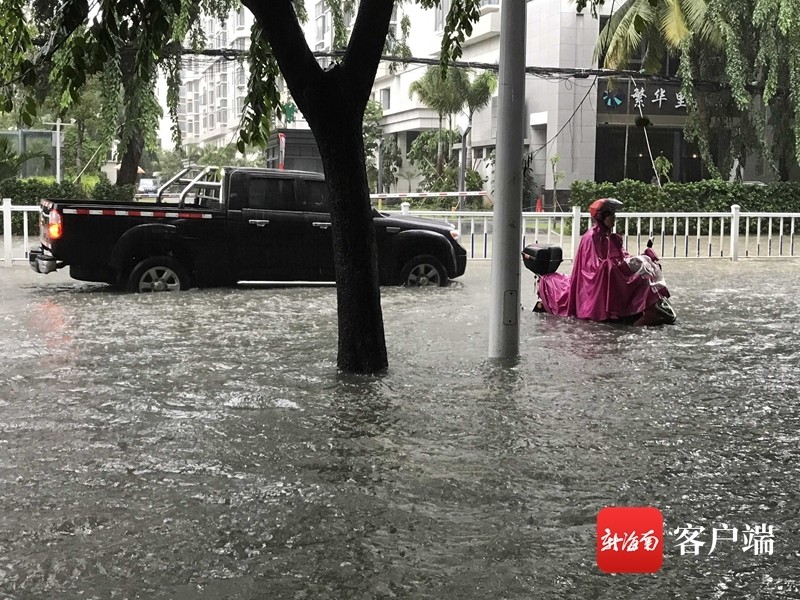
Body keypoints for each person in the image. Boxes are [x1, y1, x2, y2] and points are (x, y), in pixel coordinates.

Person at [537, 198, 671, 324]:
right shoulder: (591, 237)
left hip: (615, 272)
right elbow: (591, 267)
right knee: (637, 281)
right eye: (611, 216)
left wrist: (642, 257)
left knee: (643, 276)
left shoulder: (611, 236)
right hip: (596, 280)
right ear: (602, 217)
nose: (614, 219)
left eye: (614, 216)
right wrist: (610, 266)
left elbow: (623, 255)